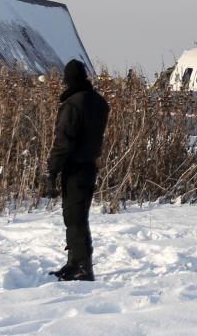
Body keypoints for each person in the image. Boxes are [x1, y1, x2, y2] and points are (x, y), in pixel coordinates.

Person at [45, 59, 110, 282]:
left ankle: (82, 266)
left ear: (68, 80)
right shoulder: (99, 102)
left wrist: (52, 171)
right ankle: (75, 262)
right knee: (78, 216)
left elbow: (63, 142)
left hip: (75, 168)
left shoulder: (73, 105)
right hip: (90, 166)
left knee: (74, 218)